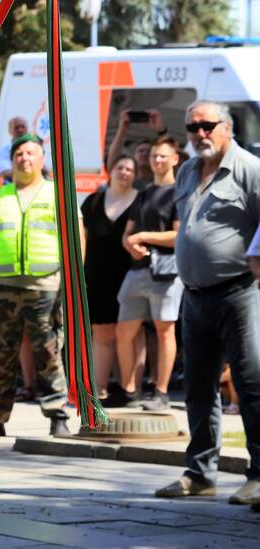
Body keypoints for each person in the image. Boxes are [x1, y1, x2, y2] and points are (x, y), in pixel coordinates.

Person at [154, 101, 260, 505]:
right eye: (192, 126)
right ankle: (200, 473)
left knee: (251, 385)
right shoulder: (185, 171)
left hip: (240, 291)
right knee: (197, 386)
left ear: (227, 128)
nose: (200, 133)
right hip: (194, 294)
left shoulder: (249, 169)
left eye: (208, 125)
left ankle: (258, 474)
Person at [0, 134, 71, 439]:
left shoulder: (57, 194)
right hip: (3, 286)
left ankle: (58, 414)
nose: (24, 158)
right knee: (0, 354)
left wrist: (71, 285)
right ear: (12, 161)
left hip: (45, 288)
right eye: (19, 154)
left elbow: (75, 240)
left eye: (31, 152)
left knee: (49, 352)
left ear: (42, 159)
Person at [111, 136, 183, 411]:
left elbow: (179, 235)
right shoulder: (143, 193)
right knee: (124, 330)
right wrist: (130, 244)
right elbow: (127, 234)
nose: (157, 160)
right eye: (154, 155)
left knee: (165, 331)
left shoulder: (179, 192)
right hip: (136, 271)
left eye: (163, 156)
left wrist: (143, 236)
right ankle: (129, 389)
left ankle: (161, 392)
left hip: (165, 272)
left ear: (174, 159)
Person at [80, 155, 138, 400]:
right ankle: (99, 390)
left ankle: (130, 389)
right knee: (102, 332)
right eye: (120, 167)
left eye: (130, 169)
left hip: (130, 276)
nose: (124, 172)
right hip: (97, 275)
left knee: (129, 333)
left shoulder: (140, 201)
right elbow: (81, 237)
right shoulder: (94, 201)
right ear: (111, 170)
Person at [106, 109, 167, 189]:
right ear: (134, 157)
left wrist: (161, 131)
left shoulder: (162, 180)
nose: (144, 154)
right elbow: (113, 162)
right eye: (140, 151)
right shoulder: (126, 178)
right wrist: (122, 130)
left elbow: (171, 156)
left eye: (149, 152)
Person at [0, 116, 28, 182]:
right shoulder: (3, 151)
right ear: (10, 131)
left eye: (23, 127)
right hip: (11, 188)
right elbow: (4, 173)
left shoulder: (36, 148)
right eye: (16, 127)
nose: (20, 129)